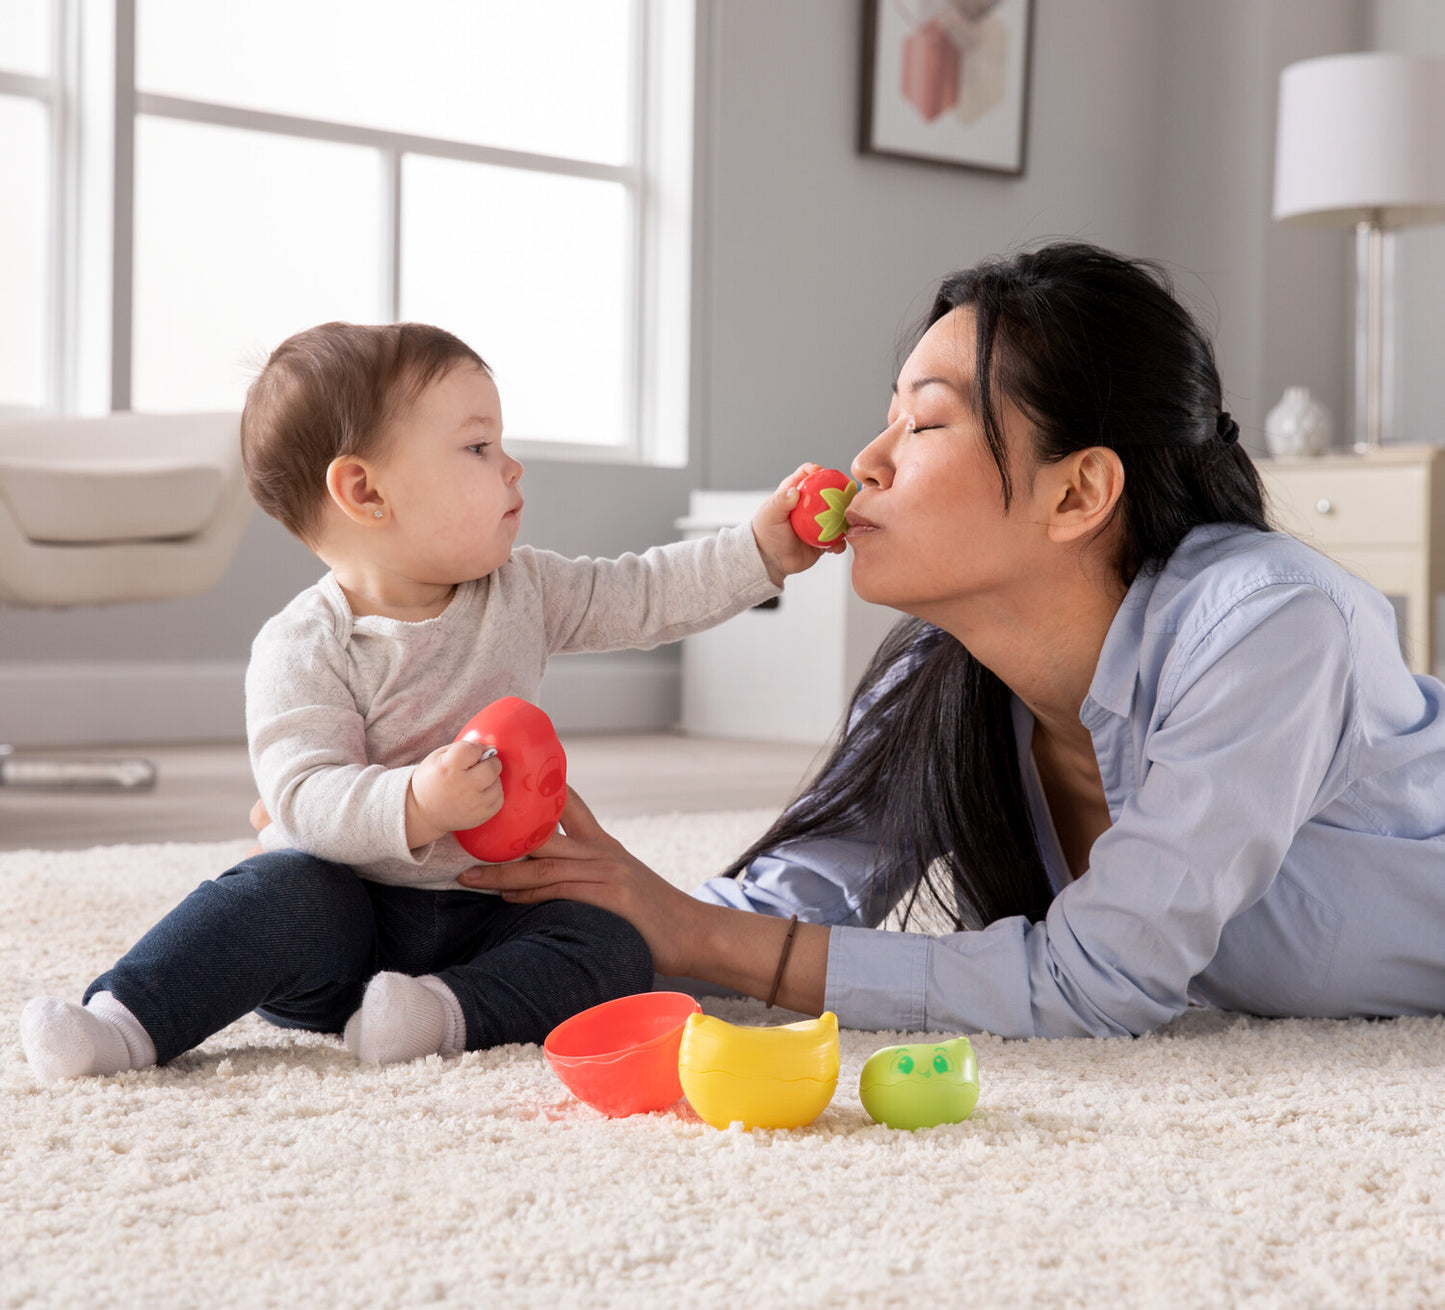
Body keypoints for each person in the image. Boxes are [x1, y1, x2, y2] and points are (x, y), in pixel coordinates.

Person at [459, 241, 1445, 1038]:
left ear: (1076, 491)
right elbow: (774, 905)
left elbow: (1096, 984)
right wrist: (519, 917)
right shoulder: (948, 675)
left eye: (922, 424)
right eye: (885, 417)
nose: (864, 462)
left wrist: (696, 936)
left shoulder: (1269, 628)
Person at [20, 321, 827, 1081]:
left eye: (501, 444)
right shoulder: (303, 644)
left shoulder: (526, 591)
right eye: (478, 447)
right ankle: (124, 1021)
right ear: (365, 491)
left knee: (612, 948)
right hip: (349, 921)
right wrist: (415, 801)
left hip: (491, 910)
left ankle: (439, 1017)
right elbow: (300, 797)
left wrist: (760, 550)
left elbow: (649, 592)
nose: (512, 467)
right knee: (273, 893)